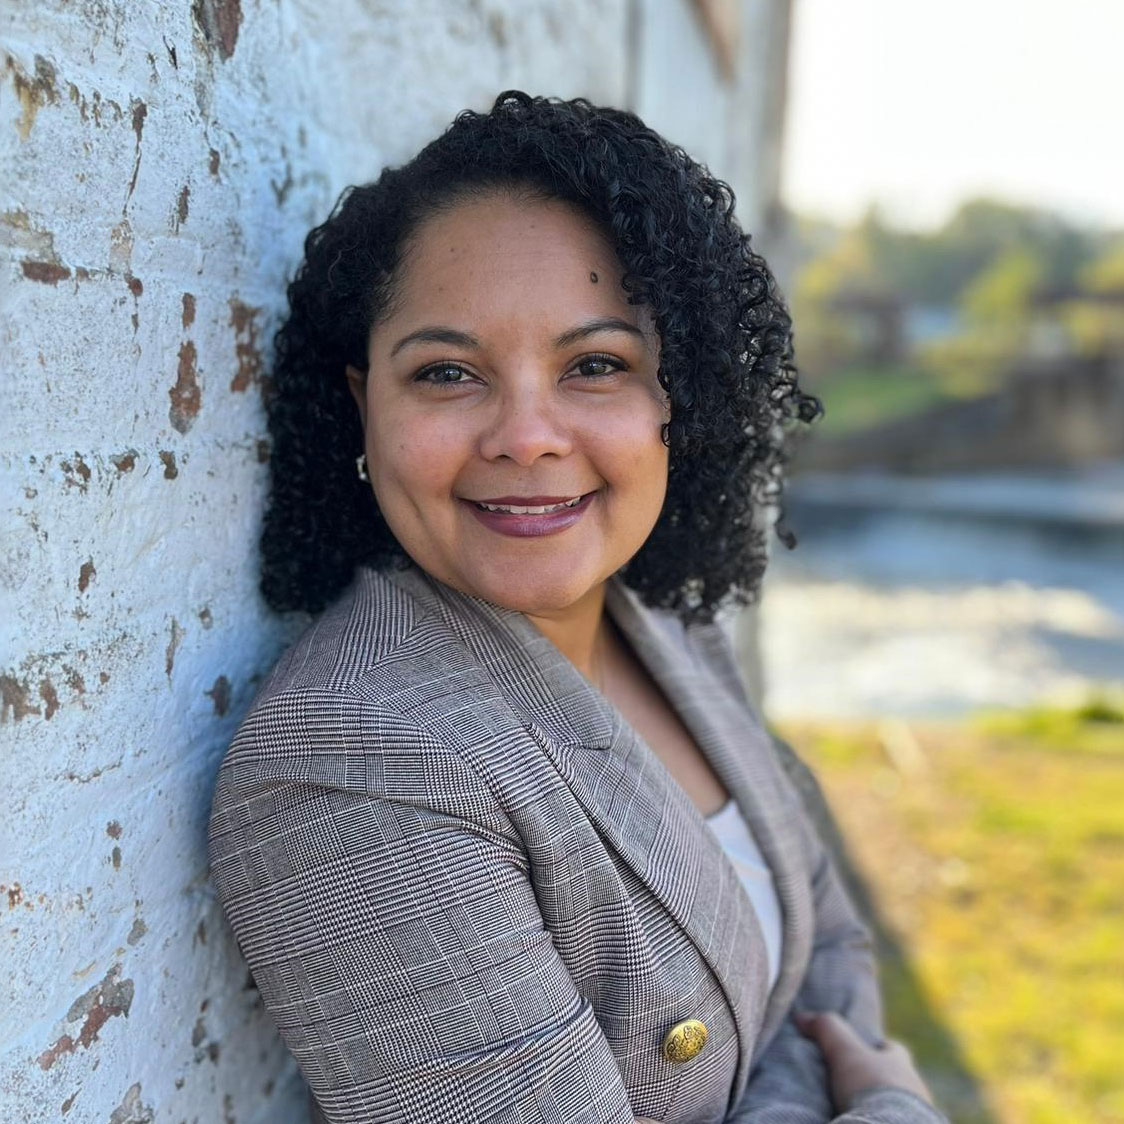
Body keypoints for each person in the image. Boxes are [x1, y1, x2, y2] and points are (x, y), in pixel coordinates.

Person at [208, 91, 947, 1124]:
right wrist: (886, 1106)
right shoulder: (351, 760)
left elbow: (825, 958)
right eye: (446, 372)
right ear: (361, 404)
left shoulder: (666, 624)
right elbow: (850, 1054)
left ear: (676, 399)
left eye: (595, 365)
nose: (527, 436)